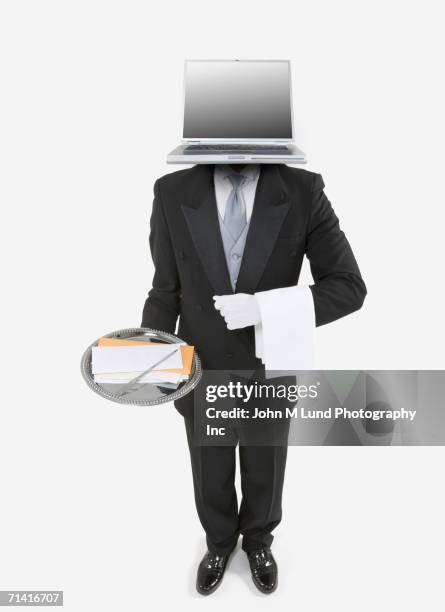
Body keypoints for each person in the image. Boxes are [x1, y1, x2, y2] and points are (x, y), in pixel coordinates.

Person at [141, 163, 366, 594]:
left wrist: (266, 309)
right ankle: (219, 543)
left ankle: (259, 541)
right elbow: (164, 290)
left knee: (267, 467)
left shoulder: (303, 189)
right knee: (210, 469)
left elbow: (348, 286)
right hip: (201, 367)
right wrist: (151, 356)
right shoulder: (171, 190)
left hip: (270, 364)